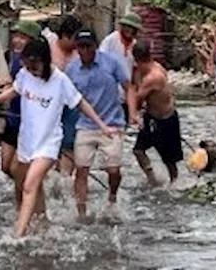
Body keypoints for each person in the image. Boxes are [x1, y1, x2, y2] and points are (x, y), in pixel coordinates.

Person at [0, 38, 118, 238]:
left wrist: (102, 125)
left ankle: (18, 235)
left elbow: (80, 103)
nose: (32, 69)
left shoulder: (59, 80)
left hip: (49, 143)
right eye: (28, 64)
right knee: (24, 178)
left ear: (45, 60)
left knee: (30, 184)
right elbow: (14, 91)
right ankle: (43, 223)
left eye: (35, 65)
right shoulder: (24, 74)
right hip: (27, 139)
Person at [66, 29, 131, 218]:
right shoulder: (71, 69)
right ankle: (81, 213)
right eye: (80, 47)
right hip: (85, 125)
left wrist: (132, 113)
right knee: (81, 169)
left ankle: (112, 196)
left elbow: (129, 87)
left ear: (96, 46)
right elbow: (64, 96)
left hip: (112, 123)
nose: (84, 50)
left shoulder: (112, 63)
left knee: (113, 170)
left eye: (88, 46)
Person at [130, 40, 184, 186]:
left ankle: (174, 184)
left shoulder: (153, 76)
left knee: (169, 160)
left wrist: (134, 114)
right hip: (152, 116)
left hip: (166, 120)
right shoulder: (147, 69)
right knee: (138, 150)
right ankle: (152, 179)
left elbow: (138, 97)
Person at [0, 20, 41, 202]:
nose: (16, 40)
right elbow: (13, 82)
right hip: (12, 118)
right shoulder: (14, 58)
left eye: (22, 37)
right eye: (15, 36)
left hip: (29, 123)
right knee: (5, 167)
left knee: (17, 169)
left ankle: (24, 207)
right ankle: (30, 185)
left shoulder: (39, 64)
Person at [46, 15, 83, 177]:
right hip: (49, 103)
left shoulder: (80, 54)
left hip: (72, 105)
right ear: (65, 35)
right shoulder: (48, 46)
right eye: (75, 39)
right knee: (50, 142)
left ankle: (65, 178)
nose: (77, 44)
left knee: (69, 142)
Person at [99, 12, 141, 78]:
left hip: (127, 83)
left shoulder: (135, 44)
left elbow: (136, 67)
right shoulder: (111, 39)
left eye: (131, 27)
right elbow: (101, 59)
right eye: (126, 26)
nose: (128, 29)